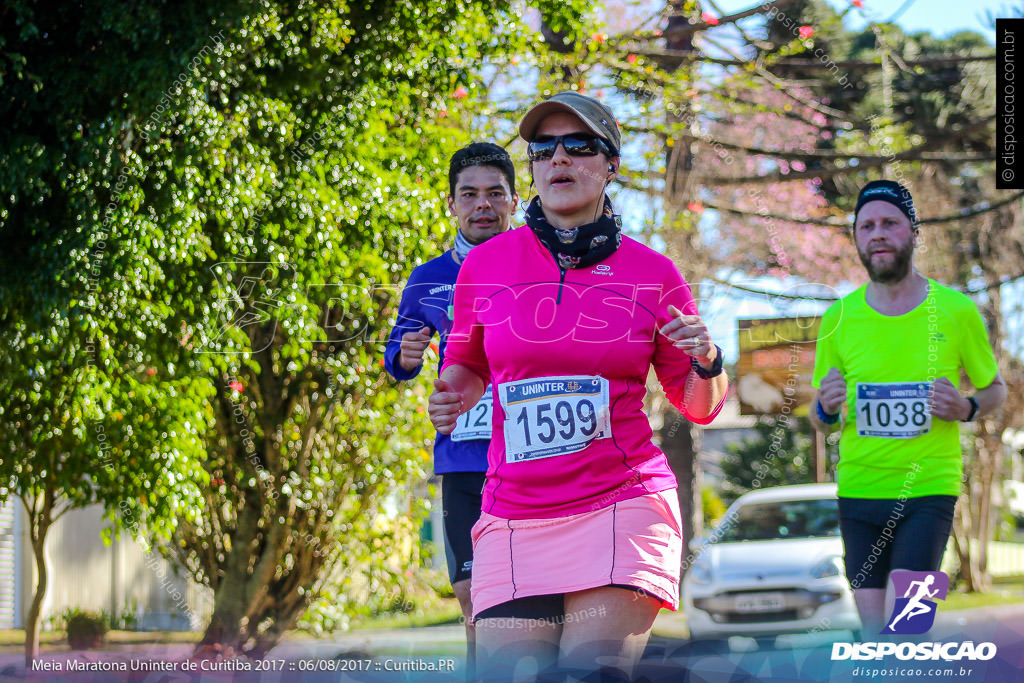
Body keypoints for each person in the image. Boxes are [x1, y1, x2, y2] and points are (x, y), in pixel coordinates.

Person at [428, 92, 728, 681]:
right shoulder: (485, 267)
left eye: (579, 145)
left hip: (621, 506)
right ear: (535, 169)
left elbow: (699, 407)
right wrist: (452, 395)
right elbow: (466, 364)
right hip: (514, 514)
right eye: (544, 148)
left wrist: (709, 361)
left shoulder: (653, 273)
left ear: (610, 164)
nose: (558, 157)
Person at [810, 179, 1007, 636]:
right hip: (859, 492)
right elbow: (823, 422)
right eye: (867, 226)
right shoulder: (838, 319)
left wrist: (967, 407)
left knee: (910, 624)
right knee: (876, 631)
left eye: (890, 223)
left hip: (927, 490)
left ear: (913, 233)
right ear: (857, 238)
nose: (878, 233)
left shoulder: (957, 311)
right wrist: (823, 408)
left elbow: (995, 388)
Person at [384, 142, 518, 674]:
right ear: (451, 203)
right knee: (470, 594)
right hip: (463, 458)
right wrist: (405, 353)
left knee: (531, 596)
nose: (482, 205)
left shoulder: (543, 263)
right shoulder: (429, 277)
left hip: (530, 458)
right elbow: (399, 357)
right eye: (470, 194)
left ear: (513, 200)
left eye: (494, 194)